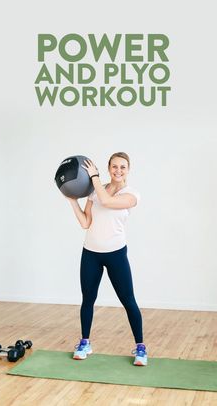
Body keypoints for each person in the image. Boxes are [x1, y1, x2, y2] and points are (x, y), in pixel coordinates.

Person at [66, 152, 147, 366]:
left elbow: (107, 201)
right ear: (109, 168)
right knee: (88, 299)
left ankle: (140, 347)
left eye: (122, 167)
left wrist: (93, 177)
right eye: (114, 167)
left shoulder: (132, 195)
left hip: (116, 254)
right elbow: (85, 223)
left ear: (128, 170)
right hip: (90, 253)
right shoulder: (95, 191)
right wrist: (72, 200)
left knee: (128, 301)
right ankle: (85, 342)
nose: (118, 171)